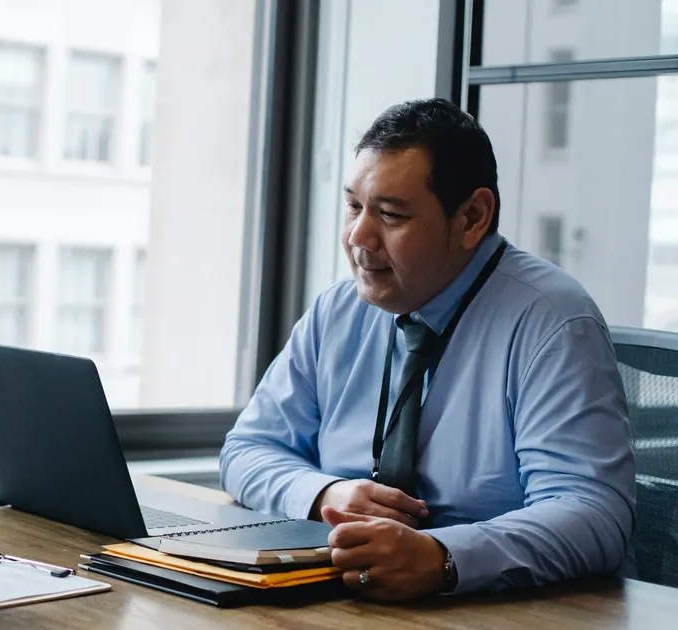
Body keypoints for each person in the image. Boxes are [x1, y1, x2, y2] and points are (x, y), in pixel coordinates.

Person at [219, 98, 635, 601]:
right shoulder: (339, 310)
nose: (358, 237)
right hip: (344, 597)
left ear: (472, 218)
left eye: (391, 215)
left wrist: (444, 557)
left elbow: (594, 513)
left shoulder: (552, 321)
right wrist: (325, 494)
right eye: (353, 206)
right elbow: (247, 449)